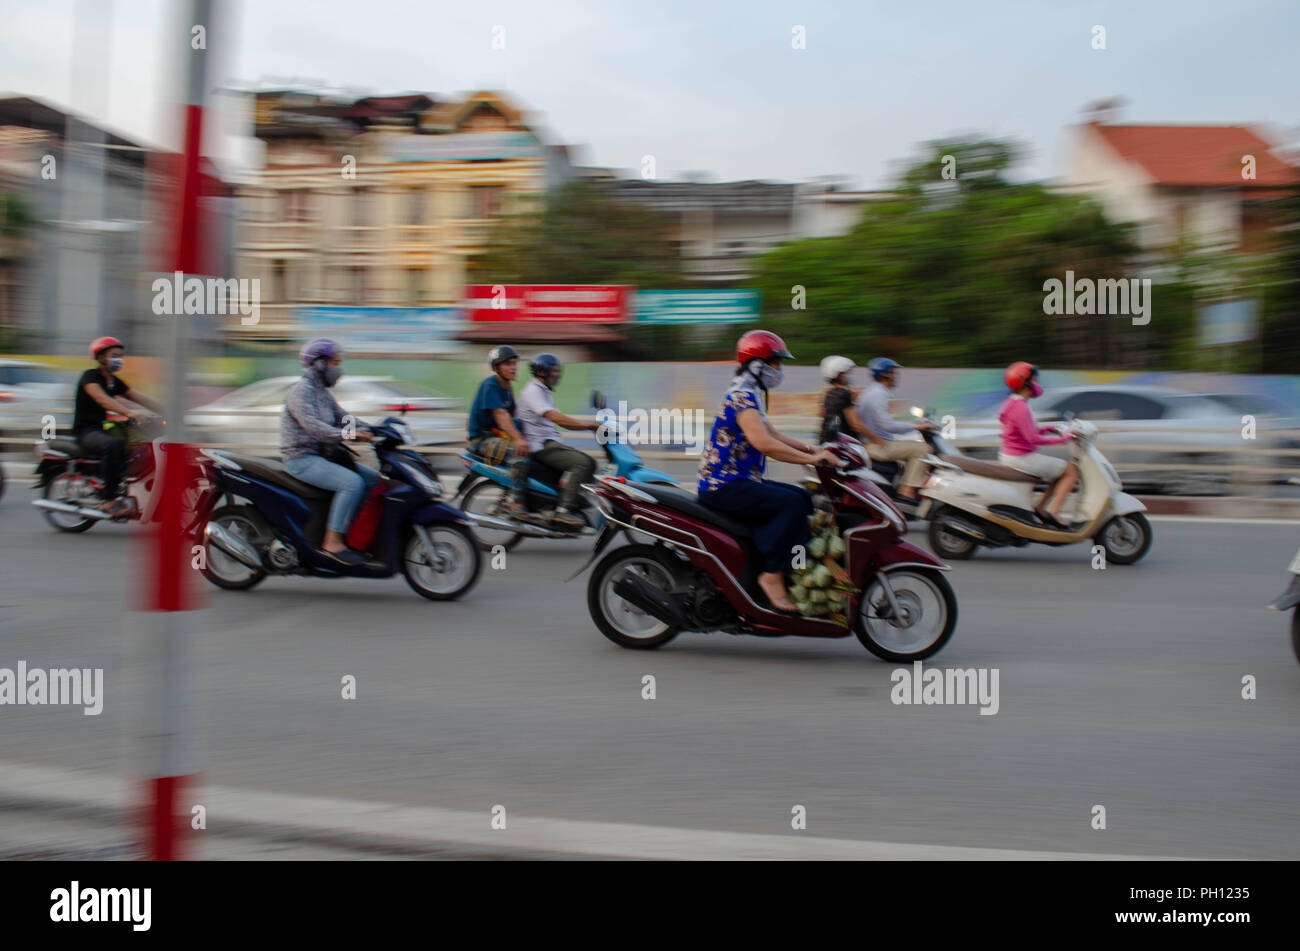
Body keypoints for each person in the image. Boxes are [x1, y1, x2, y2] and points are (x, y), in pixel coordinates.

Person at [697, 330, 838, 614]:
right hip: (723, 486)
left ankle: (779, 561)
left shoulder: (749, 394)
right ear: (758, 365)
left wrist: (813, 451)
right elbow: (765, 444)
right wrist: (812, 460)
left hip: (738, 481)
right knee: (789, 505)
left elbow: (771, 433)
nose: (779, 370)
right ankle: (771, 575)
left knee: (801, 497)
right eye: (775, 363)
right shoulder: (741, 398)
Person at [280, 338, 381, 565]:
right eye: (336, 363)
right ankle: (332, 542)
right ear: (320, 364)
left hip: (322, 456)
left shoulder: (322, 393)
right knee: (352, 483)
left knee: (373, 479)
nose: (339, 370)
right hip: (301, 458)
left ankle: (350, 532)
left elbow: (343, 418)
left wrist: (373, 428)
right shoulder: (301, 392)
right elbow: (315, 428)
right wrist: (351, 435)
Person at [73, 336, 165, 517]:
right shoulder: (90, 376)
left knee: (139, 445)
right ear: (101, 358)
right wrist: (128, 413)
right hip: (86, 431)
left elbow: (139, 398)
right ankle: (110, 499)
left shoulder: (115, 382)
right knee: (112, 445)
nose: (119, 359)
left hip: (103, 428)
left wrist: (171, 411)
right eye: (114, 355)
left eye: (120, 356)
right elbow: (101, 398)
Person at [517, 353, 601, 529]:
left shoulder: (544, 391)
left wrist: (589, 425)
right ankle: (563, 512)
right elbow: (556, 418)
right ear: (541, 371)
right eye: (553, 371)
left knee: (591, 463)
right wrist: (588, 426)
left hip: (549, 441)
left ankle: (570, 501)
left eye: (557, 371)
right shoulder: (533, 391)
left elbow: (562, 421)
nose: (556, 375)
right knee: (583, 464)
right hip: (540, 445)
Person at [998, 362, 1078, 529]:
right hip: (1020, 458)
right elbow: (1032, 438)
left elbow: (1024, 431)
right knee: (1071, 471)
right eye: (1034, 379)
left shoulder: (1014, 403)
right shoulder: (1020, 407)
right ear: (1026, 383)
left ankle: (1041, 509)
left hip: (1013, 455)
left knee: (1059, 472)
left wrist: (1050, 429)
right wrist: (1064, 439)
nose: (1037, 383)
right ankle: (1054, 512)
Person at [855, 357, 935, 501]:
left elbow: (883, 423)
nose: (896, 376)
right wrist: (916, 426)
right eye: (894, 373)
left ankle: (903, 485)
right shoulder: (879, 394)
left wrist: (913, 425)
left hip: (873, 443)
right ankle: (907, 491)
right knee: (923, 449)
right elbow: (887, 425)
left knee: (909, 446)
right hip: (876, 446)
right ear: (887, 374)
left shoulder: (872, 391)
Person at [467, 345, 531, 518]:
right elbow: (501, 415)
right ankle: (515, 501)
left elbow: (515, 416)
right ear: (497, 368)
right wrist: (518, 439)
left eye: (514, 363)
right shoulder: (490, 385)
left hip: (496, 437)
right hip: (481, 440)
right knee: (519, 453)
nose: (513, 367)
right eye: (507, 364)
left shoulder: (507, 388)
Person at [818, 355, 872, 444]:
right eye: (848, 372)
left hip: (828, 439)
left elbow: (830, 416)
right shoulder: (845, 394)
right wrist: (877, 440)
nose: (851, 375)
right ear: (839, 375)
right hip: (844, 443)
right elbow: (855, 424)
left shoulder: (829, 393)